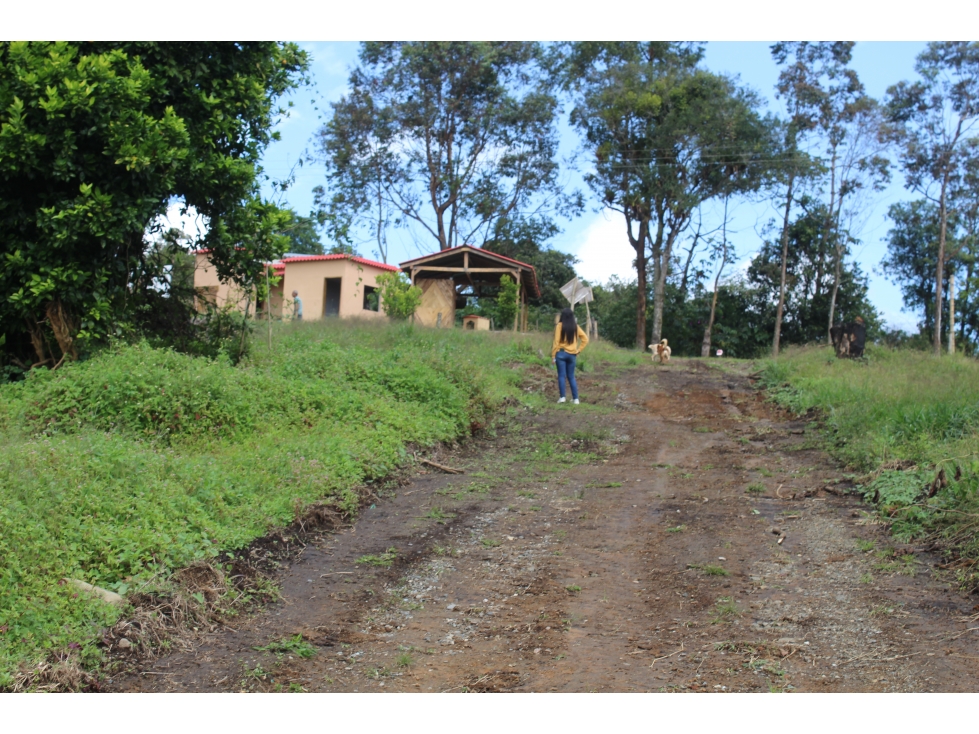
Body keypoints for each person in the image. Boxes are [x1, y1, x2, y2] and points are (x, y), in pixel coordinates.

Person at [551, 307, 589, 405]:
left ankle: (562, 397)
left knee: (561, 376)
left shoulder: (559, 326)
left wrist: (553, 355)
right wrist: (578, 350)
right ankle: (576, 399)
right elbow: (585, 339)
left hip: (561, 354)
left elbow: (556, 342)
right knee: (571, 376)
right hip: (572, 355)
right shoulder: (575, 326)